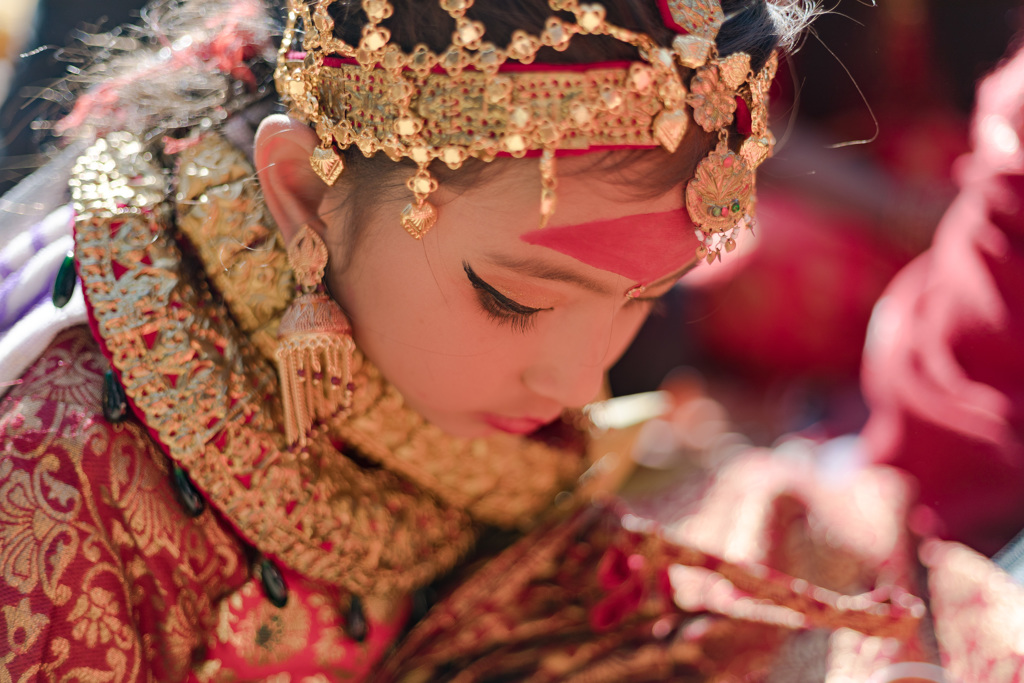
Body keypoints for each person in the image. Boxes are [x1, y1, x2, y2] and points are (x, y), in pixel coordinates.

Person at [0, 0, 939, 680]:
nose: (581, 379)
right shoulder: (58, 478)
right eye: (513, 299)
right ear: (299, 192)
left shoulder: (438, 351)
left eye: (647, 298)